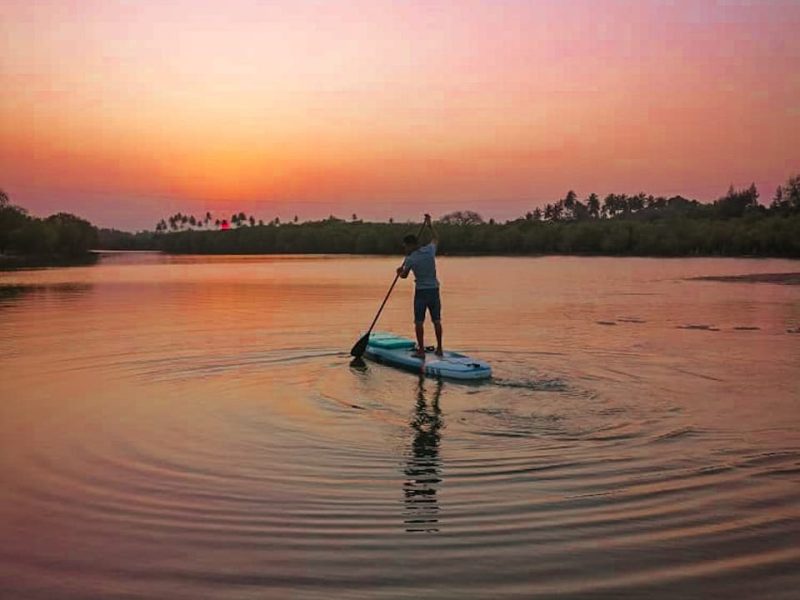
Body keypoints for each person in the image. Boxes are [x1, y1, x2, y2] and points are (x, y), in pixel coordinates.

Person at [397, 214, 443, 359]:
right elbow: (436, 239)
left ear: (411, 245)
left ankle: (421, 351)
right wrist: (430, 226)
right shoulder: (430, 250)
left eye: (405, 246)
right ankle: (440, 348)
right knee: (436, 320)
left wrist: (399, 272)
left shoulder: (411, 259)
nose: (404, 248)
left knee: (419, 321)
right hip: (434, 290)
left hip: (422, 292)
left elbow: (404, 276)